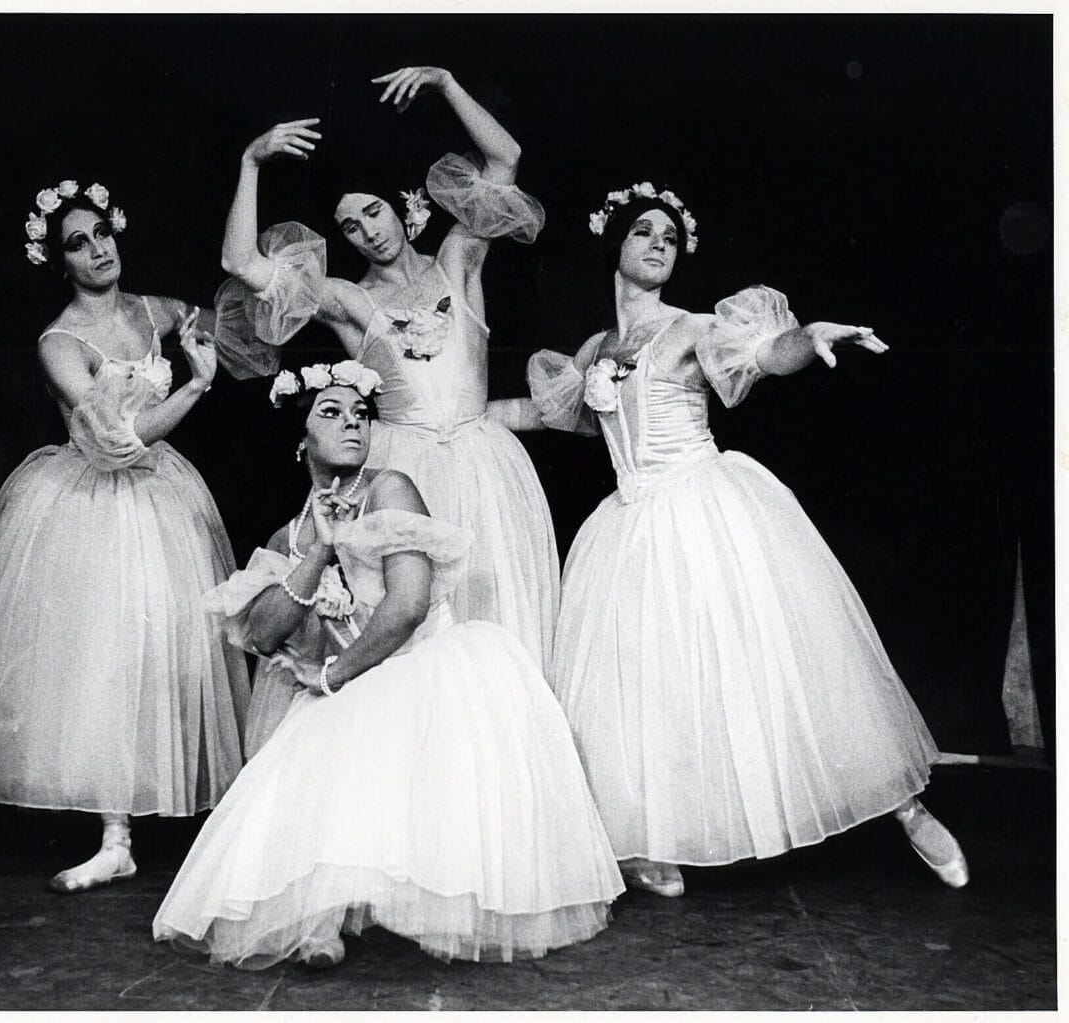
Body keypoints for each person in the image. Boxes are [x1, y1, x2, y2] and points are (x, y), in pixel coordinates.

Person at [491, 181, 968, 896]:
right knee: (646, 684)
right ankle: (650, 835)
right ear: (615, 246)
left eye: (670, 238)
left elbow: (763, 350)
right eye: (645, 232)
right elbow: (555, 414)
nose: (659, 244)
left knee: (784, 662)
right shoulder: (595, 347)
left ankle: (907, 809)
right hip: (629, 523)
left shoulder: (689, 328)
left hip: (702, 504)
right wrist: (462, 418)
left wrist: (810, 338)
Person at [152, 361, 623, 970]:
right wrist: (320, 548)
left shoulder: (389, 488)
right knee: (311, 732)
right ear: (301, 441)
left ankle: (380, 903)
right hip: (348, 676)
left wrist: (334, 675)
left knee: (349, 716)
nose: (352, 423)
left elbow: (407, 605)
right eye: (332, 413)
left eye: (361, 414)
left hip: (421, 660)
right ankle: (321, 914)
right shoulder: (284, 537)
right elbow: (264, 636)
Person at [0, 179, 256, 893]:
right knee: (104, 654)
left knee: (170, 648)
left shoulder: (152, 308)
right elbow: (118, 439)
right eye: (78, 242)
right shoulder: (59, 341)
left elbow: (227, 321)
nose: (97, 249)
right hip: (93, 498)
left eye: (102, 233)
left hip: (164, 498)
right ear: (58, 259)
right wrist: (194, 387)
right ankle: (115, 835)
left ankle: (209, 824)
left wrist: (212, 335)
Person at [214, 66, 559, 677]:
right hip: (407, 472)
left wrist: (447, 83)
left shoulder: (457, 260)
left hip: (486, 467)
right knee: (421, 645)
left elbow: (506, 160)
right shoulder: (351, 301)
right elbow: (240, 262)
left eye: (373, 212)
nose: (368, 232)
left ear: (401, 206)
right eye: (350, 225)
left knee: (500, 634)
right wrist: (251, 161)